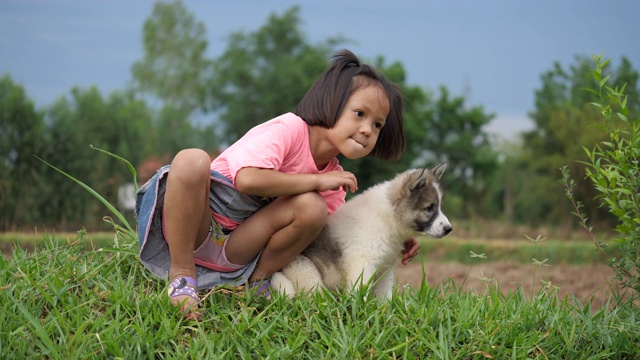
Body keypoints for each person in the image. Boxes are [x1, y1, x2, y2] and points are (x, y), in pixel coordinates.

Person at [135, 49, 418, 319]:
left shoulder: (334, 179)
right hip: (196, 228)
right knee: (191, 159)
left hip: (240, 250)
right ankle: (183, 274)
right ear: (332, 101)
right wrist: (317, 180)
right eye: (360, 114)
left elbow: (333, 236)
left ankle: (255, 281)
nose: (368, 129)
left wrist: (397, 232)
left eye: (378, 125)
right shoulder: (289, 130)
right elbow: (247, 179)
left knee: (312, 208)